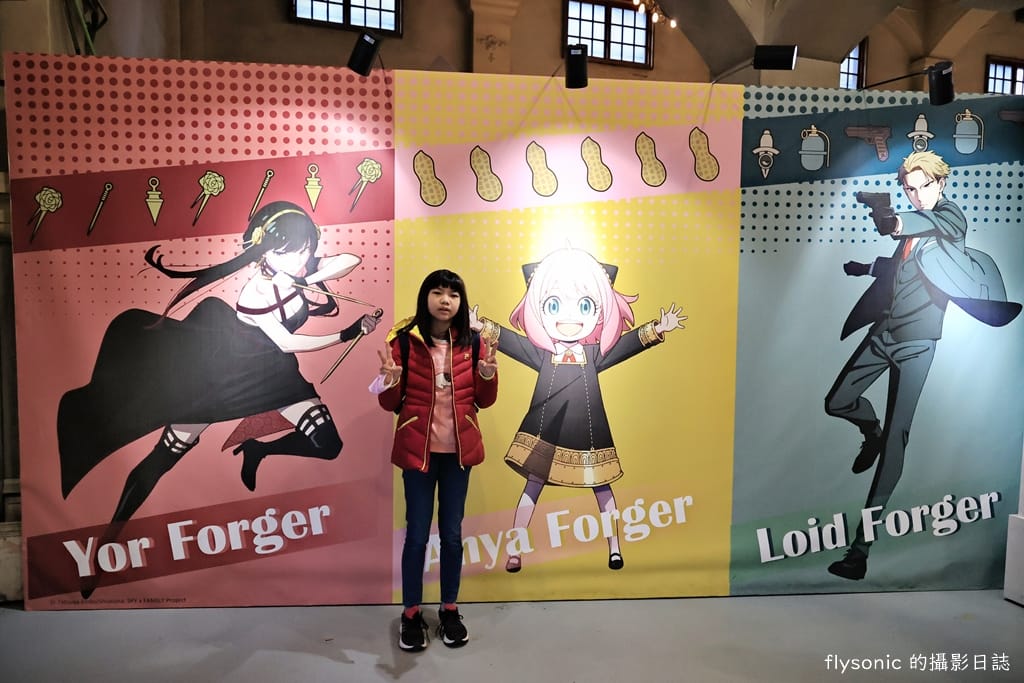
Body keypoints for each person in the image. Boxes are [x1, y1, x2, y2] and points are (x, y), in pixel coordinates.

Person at [57, 201, 380, 595]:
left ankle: (258, 450)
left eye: (307, 249)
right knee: (163, 458)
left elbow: (350, 259)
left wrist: (309, 268)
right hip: (228, 376)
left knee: (329, 444)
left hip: (277, 377)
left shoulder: (298, 271)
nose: (302, 258)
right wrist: (348, 333)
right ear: (266, 252)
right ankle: (104, 551)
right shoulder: (256, 291)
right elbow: (287, 341)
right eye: (293, 251)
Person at [825, 151, 1020, 580]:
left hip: (917, 344)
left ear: (940, 183)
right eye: (909, 189)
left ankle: (859, 553)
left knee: (895, 446)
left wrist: (887, 215)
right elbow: (903, 268)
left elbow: (911, 224)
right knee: (837, 401)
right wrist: (866, 267)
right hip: (884, 333)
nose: (917, 195)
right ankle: (870, 432)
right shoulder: (917, 228)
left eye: (923, 186)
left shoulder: (950, 219)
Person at [471, 247, 685, 573]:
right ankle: (515, 551)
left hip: (590, 433)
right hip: (544, 431)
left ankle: (614, 548)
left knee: (602, 488)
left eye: (585, 305)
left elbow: (628, 345)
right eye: (553, 305)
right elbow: (511, 342)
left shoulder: (595, 354)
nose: (569, 317)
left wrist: (657, 329)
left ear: (600, 313)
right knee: (533, 486)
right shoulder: (543, 354)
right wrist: (481, 326)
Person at [372, 269, 498, 652]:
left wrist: (487, 375)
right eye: (438, 292)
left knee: (452, 535)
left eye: (453, 295)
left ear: (461, 302)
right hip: (419, 453)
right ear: (425, 296)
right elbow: (388, 403)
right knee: (416, 535)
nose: (446, 300)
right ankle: (411, 613)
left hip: (459, 455)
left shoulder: (474, 342)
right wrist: (390, 380)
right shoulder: (405, 341)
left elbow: (485, 399)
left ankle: (449, 609)